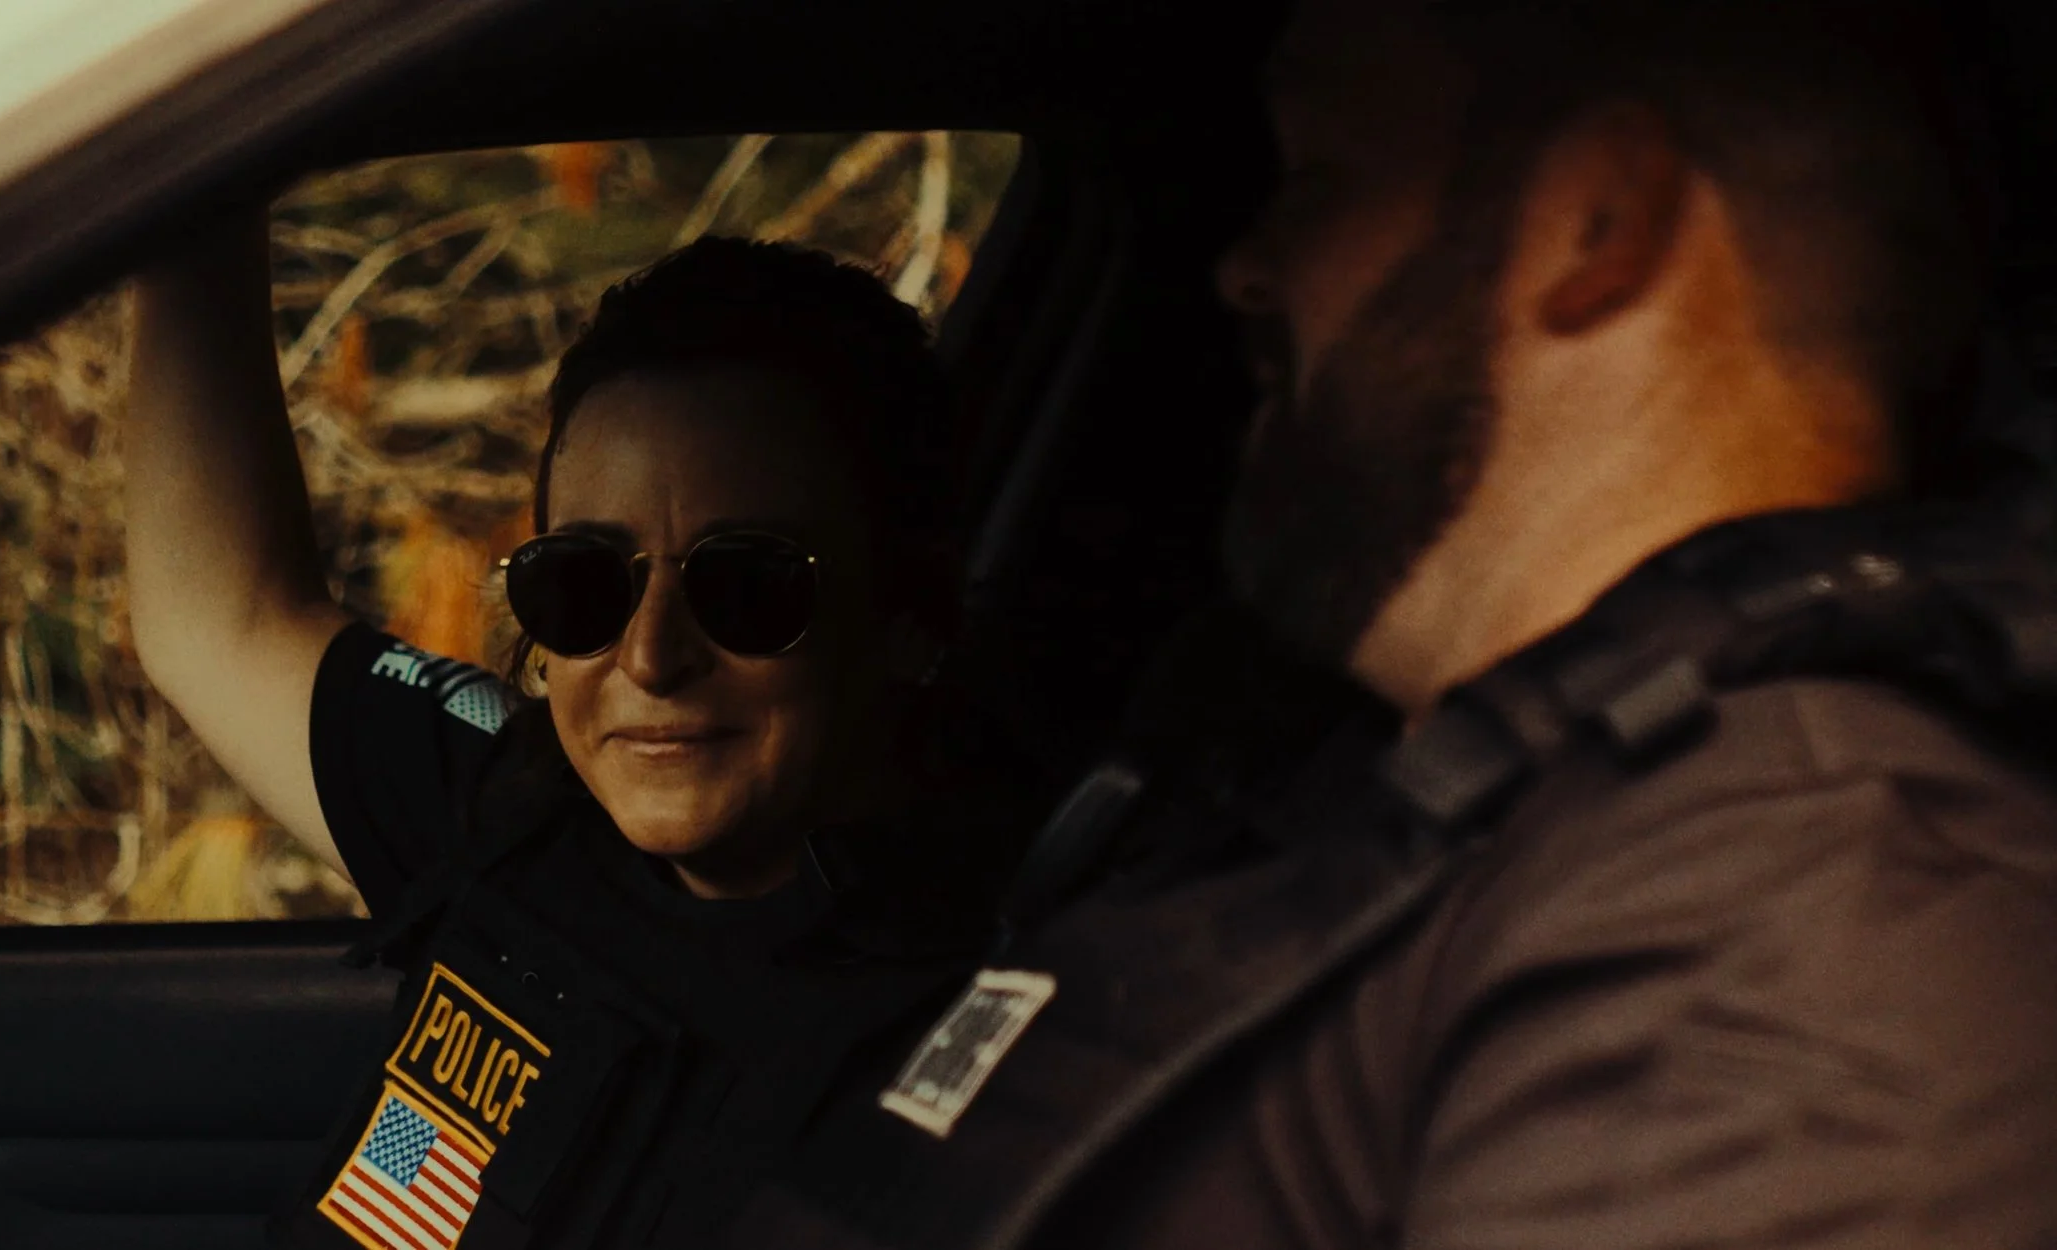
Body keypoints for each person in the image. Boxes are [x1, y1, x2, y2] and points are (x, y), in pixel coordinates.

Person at [730, 1, 2057, 1248]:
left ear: (1599, 221)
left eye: (1317, 176)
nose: (1247, 268)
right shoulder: (1376, 783)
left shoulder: (1810, 940)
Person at [124, 222, 1033, 1249]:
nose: (648, 656)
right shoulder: (517, 796)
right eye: (584, 583)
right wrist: (192, 204)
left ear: (910, 611)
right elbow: (216, 617)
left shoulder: (991, 1041)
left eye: (747, 585)